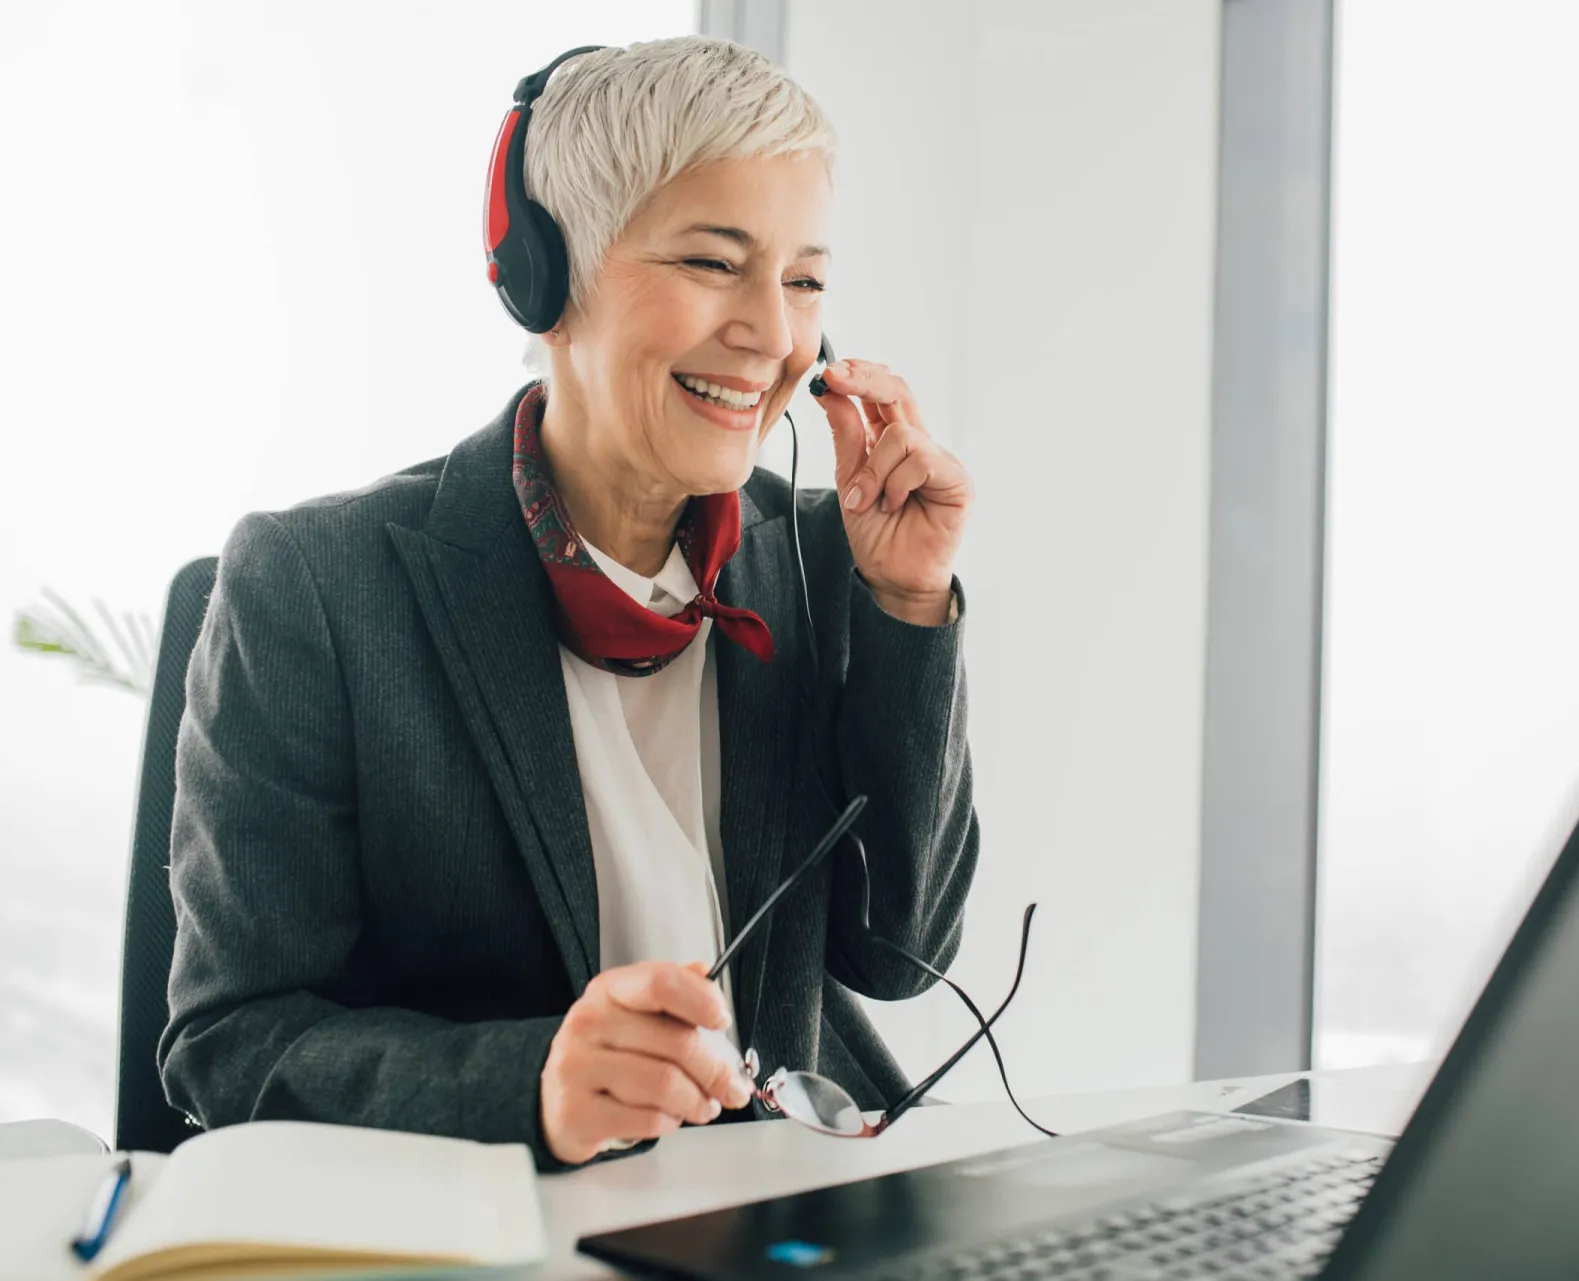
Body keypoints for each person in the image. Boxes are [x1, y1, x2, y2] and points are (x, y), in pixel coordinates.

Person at [160, 36, 978, 1169]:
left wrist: (907, 603)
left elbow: (901, 955)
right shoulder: (313, 589)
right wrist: (530, 1085)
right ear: (544, 280)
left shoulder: (822, 557)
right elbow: (232, 1041)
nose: (774, 334)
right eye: (713, 262)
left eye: (804, 282)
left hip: (788, 1203)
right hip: (507, 1221)